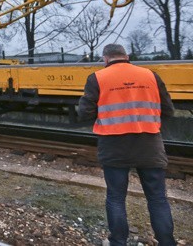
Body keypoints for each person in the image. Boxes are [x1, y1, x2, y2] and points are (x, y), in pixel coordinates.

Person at [78, 44, 176, 246]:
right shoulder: (151, 75)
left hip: (114, 146)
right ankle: (167, 242)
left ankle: (118, 242)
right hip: (149, 145)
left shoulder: (97, 78)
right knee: (157, 199)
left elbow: (84, 113)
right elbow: (168, 110)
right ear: (127, 56)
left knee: (116, 198)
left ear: (105, 59)